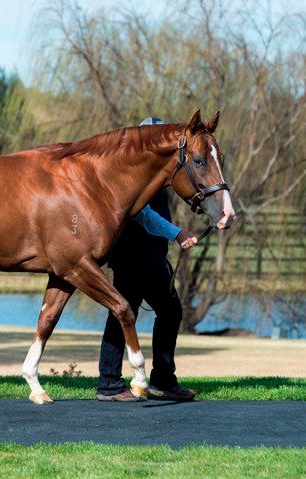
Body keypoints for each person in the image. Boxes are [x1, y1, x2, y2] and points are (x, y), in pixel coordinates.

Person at [96, 116, 198, 402]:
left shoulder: (158, 172)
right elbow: (144, 215)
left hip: (152, 258)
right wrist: (177, 233)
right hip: (131, 257)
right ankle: (109, 384)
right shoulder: (131, 173)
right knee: (123, 314)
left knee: (169, 311)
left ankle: (162, 380)